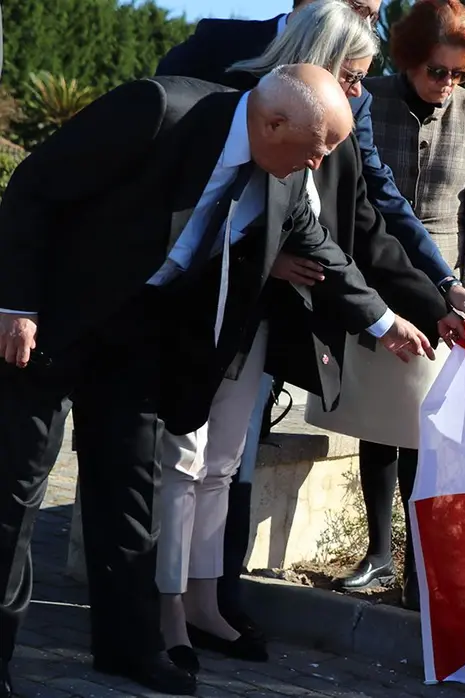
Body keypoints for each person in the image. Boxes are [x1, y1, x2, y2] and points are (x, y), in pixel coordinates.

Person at [0, 64, 437, 696]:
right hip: (51, 323)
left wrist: (386, 322)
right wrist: (16, 306)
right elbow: (35, 185)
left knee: (131, 498)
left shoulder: (285, 175)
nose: (319, 165)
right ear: (274, 123)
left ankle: (128, 649)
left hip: (136, 338)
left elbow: (322, 250)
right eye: (317, 149)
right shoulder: (158, 110)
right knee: (15, 491)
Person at [155, 0, 465, 638]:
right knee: (183, 460)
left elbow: (361, 220)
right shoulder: (246, 96)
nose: (360, 93)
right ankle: (166, 607)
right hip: (201, 302)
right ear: (316, 63)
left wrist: (434, 299)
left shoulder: (343, 115)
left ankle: (205, 601)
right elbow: (196, 210)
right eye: (353, 77)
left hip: (267, 315)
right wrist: (266, 257)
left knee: (223, 462)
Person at [307, 0, 465, 608]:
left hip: (449, 294)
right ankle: (377, 554)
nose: (448, 83)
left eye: (459, 73)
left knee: (429, 434)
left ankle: (422, 565)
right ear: (409, 59)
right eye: (437, 71)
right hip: (375, 283)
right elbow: (365, 198)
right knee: (378, 423)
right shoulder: (366, 98)